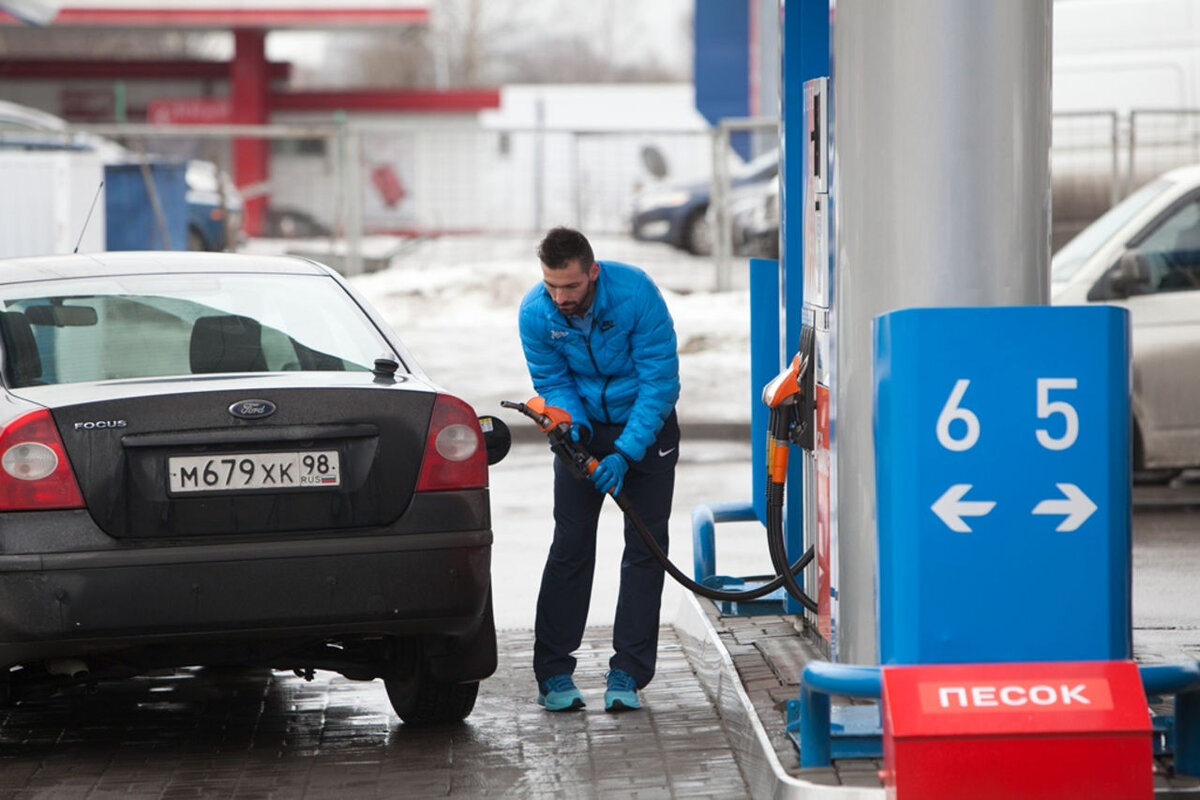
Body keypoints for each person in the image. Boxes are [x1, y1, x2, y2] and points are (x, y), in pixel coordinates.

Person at [518, 226, 680, 713]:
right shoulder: (535, 313)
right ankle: (553, 673)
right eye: (551, 286)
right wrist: (577, 435)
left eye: (570, 286)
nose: (560, 297)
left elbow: (659, 382)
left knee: (644, 550)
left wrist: (625, 452)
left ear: (593, 271)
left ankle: (628, 671)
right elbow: (553, 381)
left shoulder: (635, 294)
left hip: (644, 427)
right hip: (584, 433)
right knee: (570, 545)